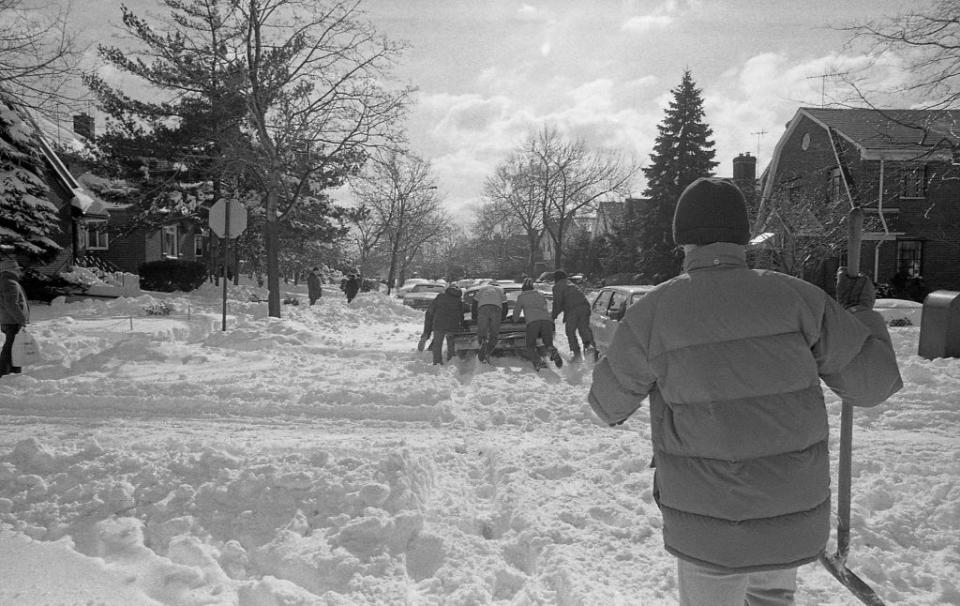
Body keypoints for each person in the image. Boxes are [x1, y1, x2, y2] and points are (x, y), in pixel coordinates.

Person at [587, 177, 903, 606]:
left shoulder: (654, 312)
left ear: (683, 242)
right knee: (772, 599)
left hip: (706, 516)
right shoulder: (798, 298)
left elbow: (607, 407)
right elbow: (872, 384)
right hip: (787, 507)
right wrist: (860, 314)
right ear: (743, 237)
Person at [512, 278, 563, 371]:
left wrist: (515, 320)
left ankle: (538, 362)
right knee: (548, 343)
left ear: (523, 287)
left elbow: (516, 313)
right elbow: (545, 307)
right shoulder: (540, 295)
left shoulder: (522, 297)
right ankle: (553, 351)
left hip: (533, 323)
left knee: (530, 345)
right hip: (547, 321)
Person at [551, 269, 595, 362]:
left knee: (570, 331)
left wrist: (553, 316)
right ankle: (589, 346)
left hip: (573, 309)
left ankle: (576, 354)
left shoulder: (557, 287)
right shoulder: (571, 284)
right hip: (585, 307)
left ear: (556, 279)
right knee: (583, 328)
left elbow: (557, 304)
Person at [419, 284, 464, 365]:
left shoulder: (440, 297)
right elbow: (461, 314)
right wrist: (461, 324)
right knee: (451, 344)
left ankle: (437, 362)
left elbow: (430, 311)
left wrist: (427, 330)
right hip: (452, 326)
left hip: (439, 324)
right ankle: (451, 361)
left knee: (437, 344)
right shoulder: (458, 301)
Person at [0, 259, 30, 378]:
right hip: (12, 321)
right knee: (11, 347)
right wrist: (21, 319)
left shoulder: (5, 281)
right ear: (11, 270)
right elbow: (11, 304)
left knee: (13, 347)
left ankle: (13, 370)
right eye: (17, 270)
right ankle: (3, 371)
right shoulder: (9, 282)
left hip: (9, 320)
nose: (19, 272)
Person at [473, 280, 506, 362]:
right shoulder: (501, 290)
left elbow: (474, 302)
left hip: (483, 308)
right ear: (497, 285)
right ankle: (488, 352)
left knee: (482, 331)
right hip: (496, 309)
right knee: (494, 333)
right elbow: (505, 304)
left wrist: (474, 315)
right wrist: (503, 316)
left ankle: (483, 342)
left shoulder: (482, 289)